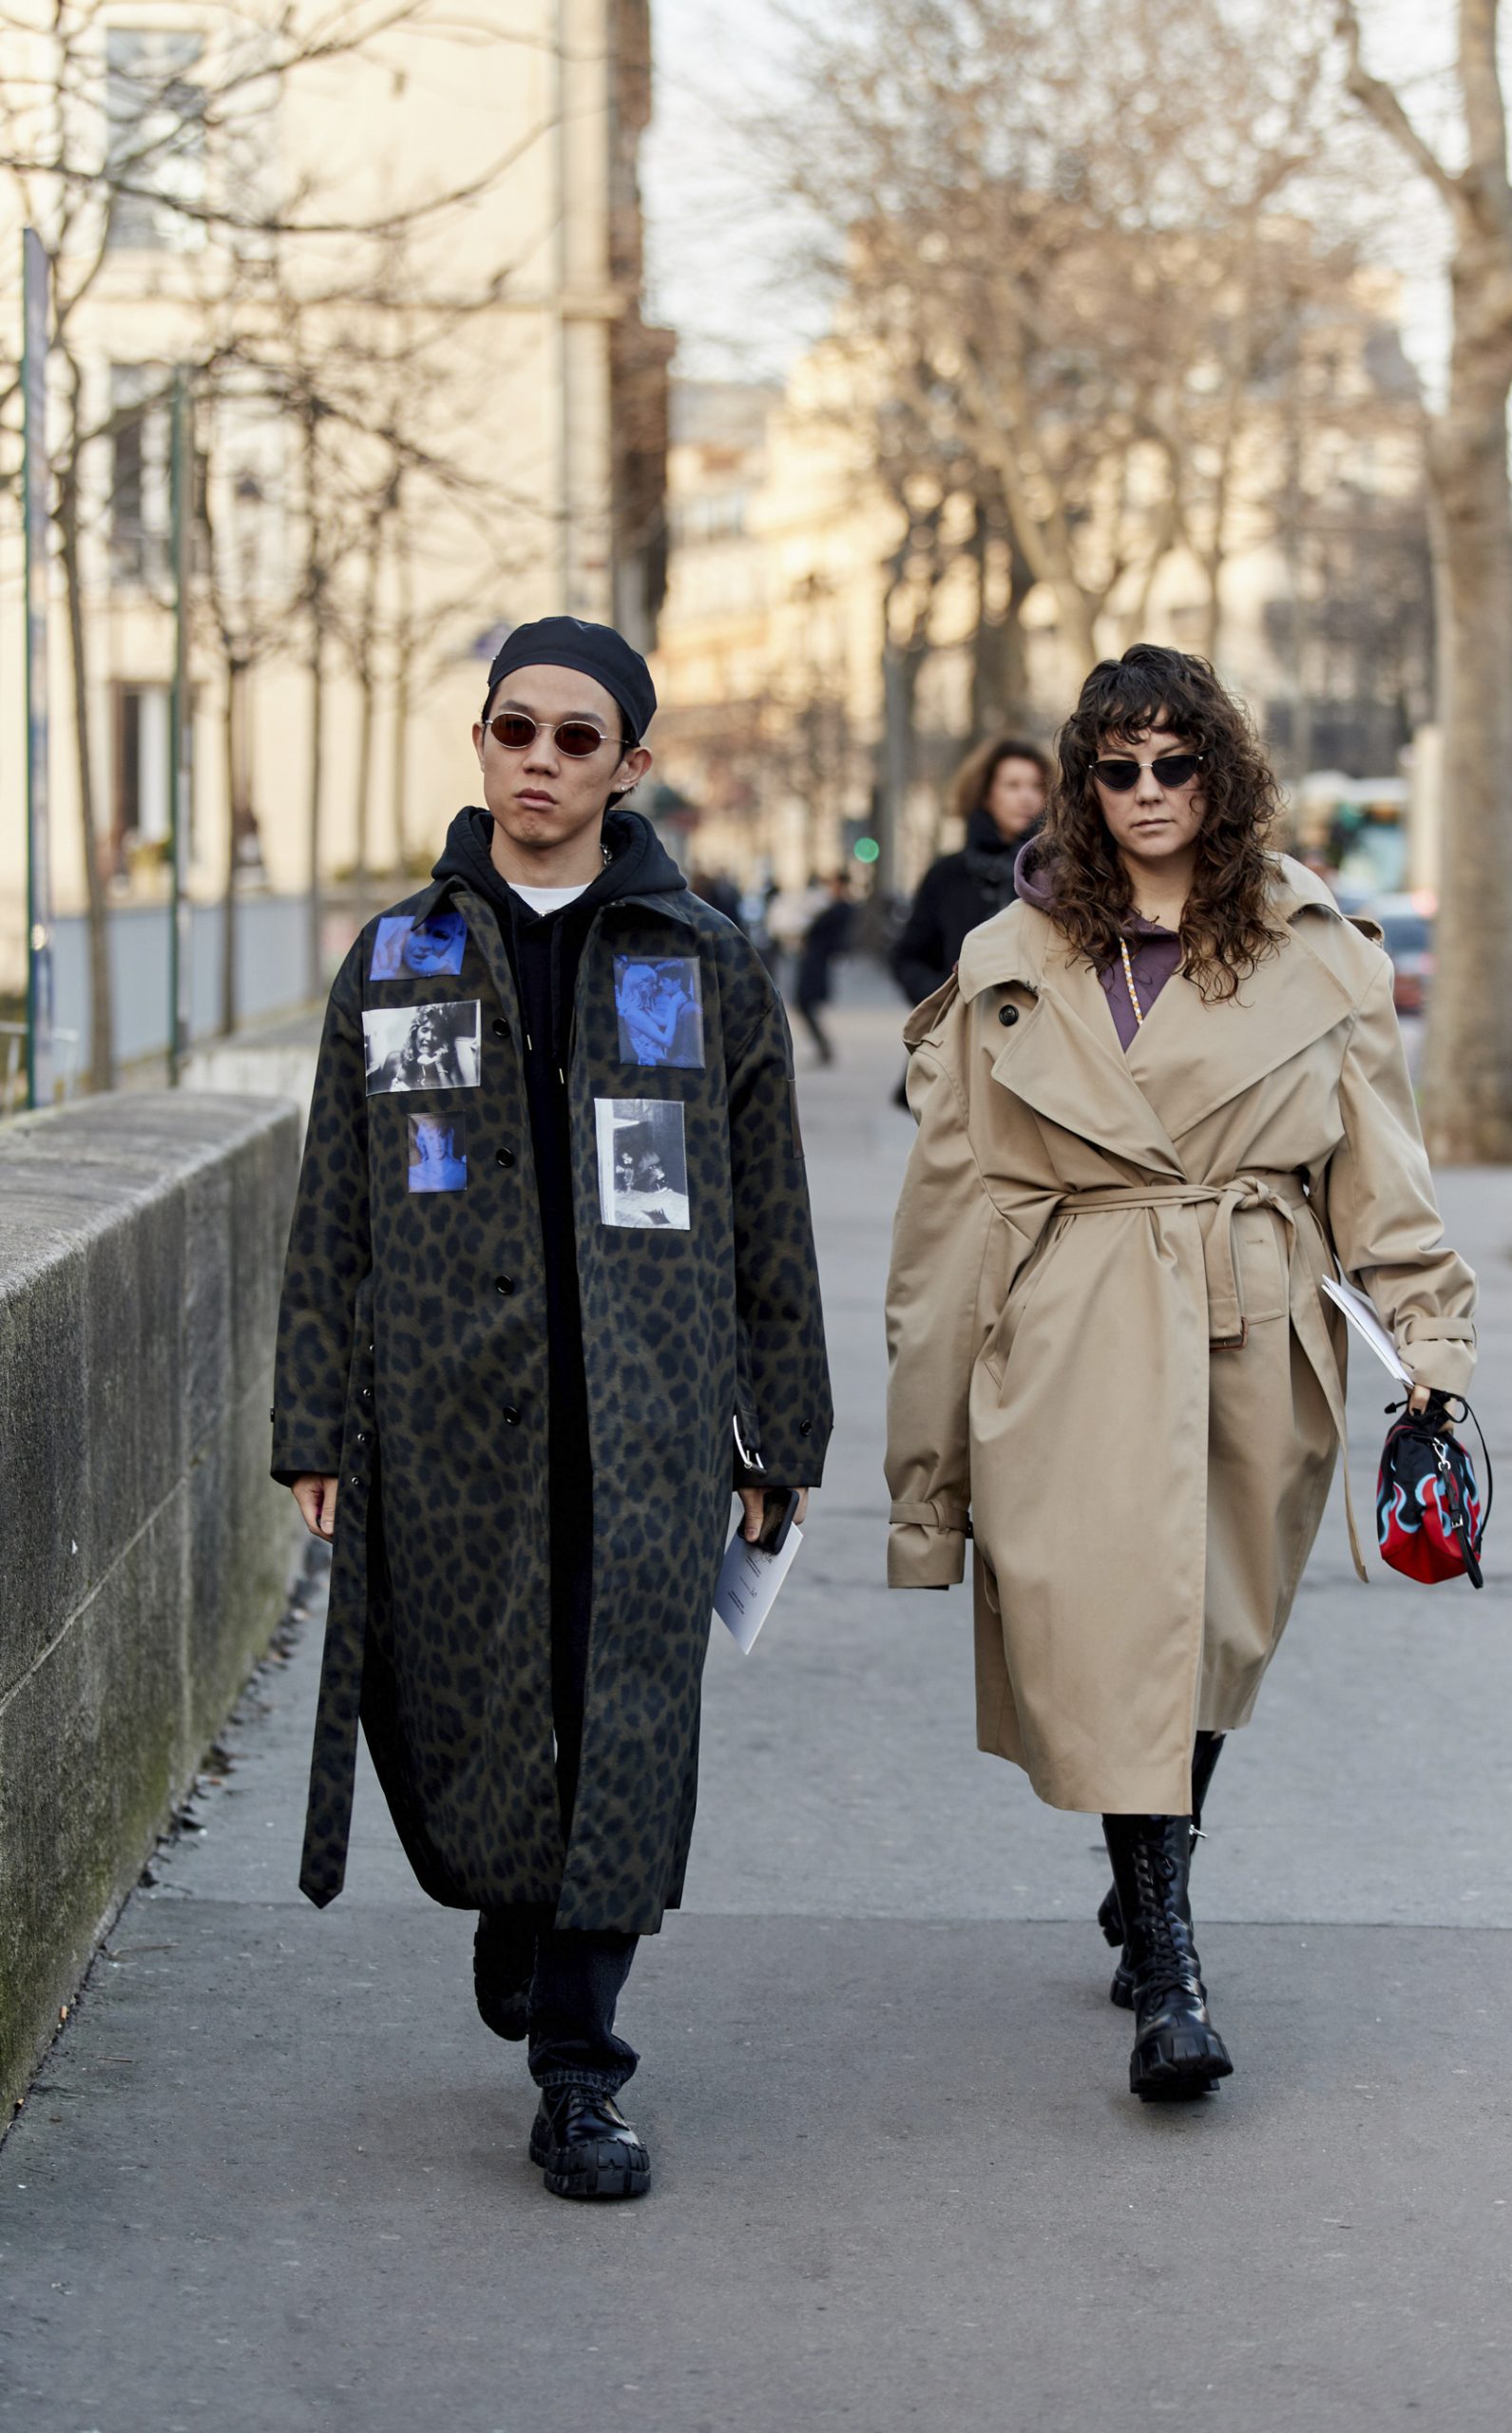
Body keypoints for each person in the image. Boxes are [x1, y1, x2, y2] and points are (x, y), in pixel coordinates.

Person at [273, 615, 833, 2200]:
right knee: (456, 1703)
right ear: (482, 744)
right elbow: (335, 1204)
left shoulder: (708, 964)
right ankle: (515, 1900)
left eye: (575, 738)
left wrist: (777, 1434)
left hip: (647, 1417)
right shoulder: (396, 958)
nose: (539, 760)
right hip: (445, 1415)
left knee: (628, 1727)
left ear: (629, 766)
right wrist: (313, 1418)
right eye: (514, 728)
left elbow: (769, 1220)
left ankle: (583, 2072)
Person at [884, 643, 1477, 2104]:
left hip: (1253, 1328)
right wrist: (922, 1466)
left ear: (1220, 772)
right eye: (1117, 767)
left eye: (1175, 762)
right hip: (1069, 1328)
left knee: (1205, 1640)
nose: (1147, 791)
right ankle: (1168, 1969)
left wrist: (1432, 1358)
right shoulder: (1009, 960)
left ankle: (1149, 1878)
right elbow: (947, 1215)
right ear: (1084, 785)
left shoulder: (1315, 950)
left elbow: (1377, 1182)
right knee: (1107, 1631)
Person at [890, 738, 1051, 1006]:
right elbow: (909, 957)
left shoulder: (1060, 872)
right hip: (963, 1035)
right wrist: (944, 1003)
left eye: (1037, 786)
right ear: (986, 794)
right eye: (1012, 785)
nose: (1026, 797)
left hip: (1042, 1034)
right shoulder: (947, 874)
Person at [794, 871, 856, 1066]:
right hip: (815, 959)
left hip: (817, 961)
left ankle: (825, 1048)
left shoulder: (841, 908)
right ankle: (824, 1048)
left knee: (805, 1002)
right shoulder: (834, 906)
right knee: (805, 1004)